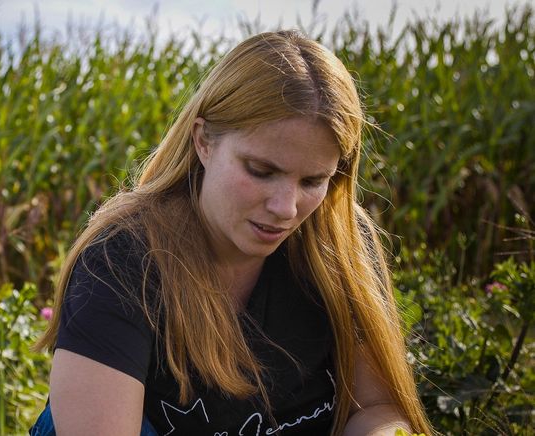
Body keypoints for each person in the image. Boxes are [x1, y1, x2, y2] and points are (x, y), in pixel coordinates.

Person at [31, 30, 433, 435]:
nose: (286, 208)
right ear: (204, 141)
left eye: (313, 181)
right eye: (261, 171)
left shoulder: (341, 244)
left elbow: (379, 406)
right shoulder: (123, 261)